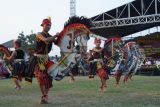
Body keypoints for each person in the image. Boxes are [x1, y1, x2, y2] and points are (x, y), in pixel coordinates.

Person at [28, 17, 59, 104]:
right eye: (47, 25)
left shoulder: (50, 36)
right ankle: (44, 96)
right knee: (41, 77)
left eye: (50, 25)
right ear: (43, 25)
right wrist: (55, 36)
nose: (49, 26)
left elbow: (58, 42)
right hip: (39, 59)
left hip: (47, 59)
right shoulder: (38, 34)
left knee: (49, 78)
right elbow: (45, 40)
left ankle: (45, 96)